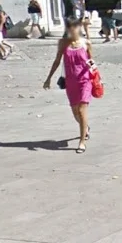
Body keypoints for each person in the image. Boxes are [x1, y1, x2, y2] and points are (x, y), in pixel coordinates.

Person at [42, 19, 96, 152]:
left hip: (84, 81)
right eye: (70, 28)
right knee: (75, 112)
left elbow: (91, 61)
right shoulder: (63, 43)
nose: (72, 30)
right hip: (71, 82)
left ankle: (82, 142)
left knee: (82, 110)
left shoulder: (86, 43)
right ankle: (85, 127)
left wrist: (96, 77)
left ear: (79, 28)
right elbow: (57, 61)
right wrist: (48, 78)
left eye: (75, 27)